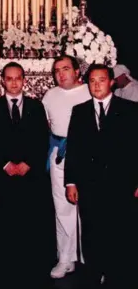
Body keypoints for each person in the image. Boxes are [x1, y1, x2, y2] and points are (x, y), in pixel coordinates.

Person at [65, 64, 138, 289]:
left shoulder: (131, 109)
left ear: (112, 82)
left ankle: (120, 276)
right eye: (92, 81)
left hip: (122, 184)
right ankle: (95, 274)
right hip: (90, 185)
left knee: (121, 231)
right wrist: (71, 182)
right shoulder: (79, 111)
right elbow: (74, 149)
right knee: (91, 231)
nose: (97, 85)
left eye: (102, 80)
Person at [0, 62, 54, 287]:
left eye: (18, 78)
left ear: (25, 80)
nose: (14, 83)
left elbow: (42, 138)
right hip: (3, 173)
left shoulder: (36, 106)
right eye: (9, 78)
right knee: (5, 221)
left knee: (29, 219)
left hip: (29, 173)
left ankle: (30, 266)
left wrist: (28, 163)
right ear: (2, 80)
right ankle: (5, 266)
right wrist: (5, 164)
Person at [42, 55, 91, 279]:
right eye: (57, 70)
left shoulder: (90, 91)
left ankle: (90, 258)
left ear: (77, 71)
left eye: (65, 69)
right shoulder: (50, 95)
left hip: (87, 157)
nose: (61, 74)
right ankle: (65, 257)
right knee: (62, 208)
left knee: (89, 208)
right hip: (59, 155)